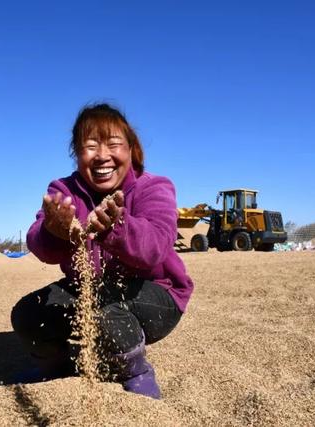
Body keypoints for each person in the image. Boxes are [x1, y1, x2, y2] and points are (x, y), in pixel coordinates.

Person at [10, 103, 194, 399]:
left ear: (132, 150)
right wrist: (53, 232)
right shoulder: (63, 189)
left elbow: (156, 247)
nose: (102, 155)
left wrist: (116, 229)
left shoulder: (155, 187)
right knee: (28, 314)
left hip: (157, 293)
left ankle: (135, 370)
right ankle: (56, 362)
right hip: (88, 286)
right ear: (77, 154)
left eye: (113, 144)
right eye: (90, 146)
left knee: (102, 307)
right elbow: (39, 240)